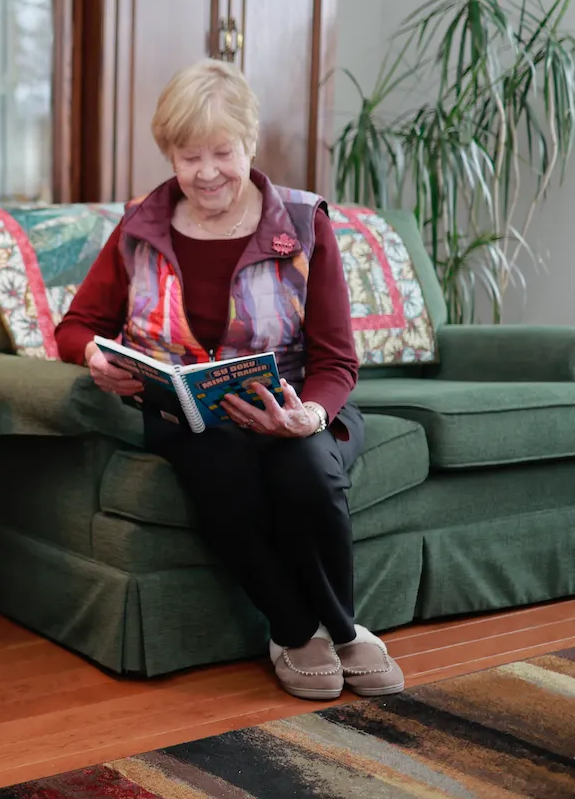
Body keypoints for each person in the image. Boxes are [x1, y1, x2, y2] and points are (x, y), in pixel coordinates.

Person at [54, 59, 404, 702]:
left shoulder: (302, 225)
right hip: (188, 416)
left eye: (223, 152)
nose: (207, 172)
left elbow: (336, 360)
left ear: (251, 144)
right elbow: (76, 326)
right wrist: (97, 360)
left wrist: (311, 416)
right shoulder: (140, 227)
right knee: (220, 467)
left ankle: (346, 630)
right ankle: (296, 632)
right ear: (169, 155)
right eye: (190, 156)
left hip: (291, 407)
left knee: (306, 470)